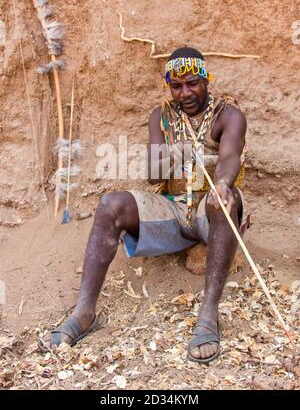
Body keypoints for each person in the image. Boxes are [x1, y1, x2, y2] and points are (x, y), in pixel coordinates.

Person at [39, 46, 249, 364]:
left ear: (207, 79)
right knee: (111, 204)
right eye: (177, 86)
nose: (185, 92)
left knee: (223, 200)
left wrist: (221, 184)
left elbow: (230, 158)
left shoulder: (228, 116)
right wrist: (173, 154)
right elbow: (153, 176)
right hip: (173, 209)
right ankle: (84, 312)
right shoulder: (161, 116)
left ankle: (208, 314)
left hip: (213, 208)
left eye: (192, 83)